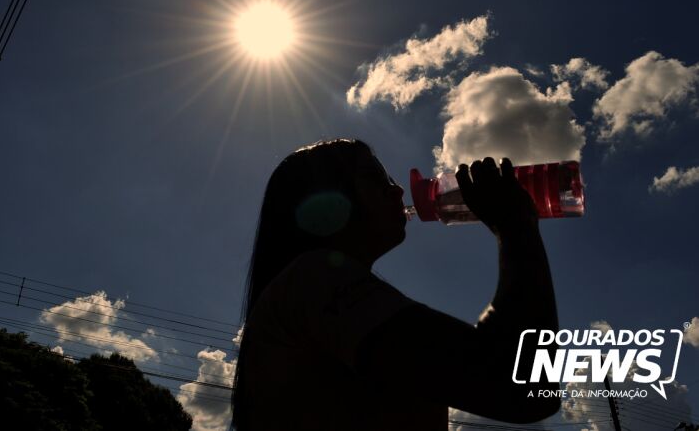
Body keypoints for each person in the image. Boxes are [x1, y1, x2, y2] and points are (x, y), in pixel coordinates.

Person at [231, 138, 560, 430]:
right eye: (375, 179)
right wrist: (516, 226)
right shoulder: (313, 279)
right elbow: (519, 385)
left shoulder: (317, 290)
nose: (398, 189)